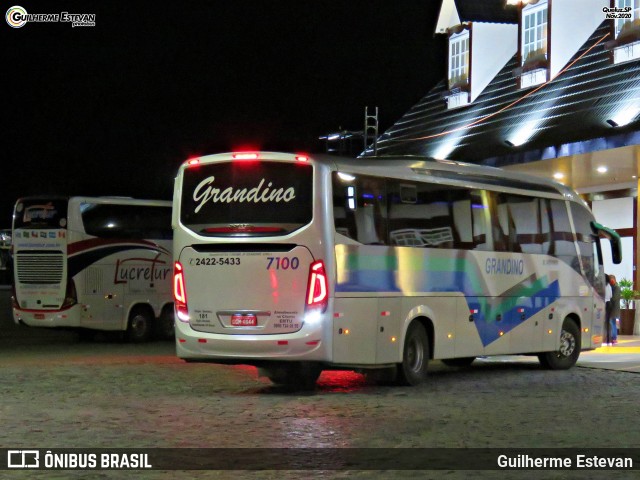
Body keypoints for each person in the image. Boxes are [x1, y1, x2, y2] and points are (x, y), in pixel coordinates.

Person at [609, 275, 621, 345]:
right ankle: (613, 337)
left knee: (612, 323)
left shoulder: (617, 287)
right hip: (612, 308)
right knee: (612, 322)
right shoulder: (612, 287)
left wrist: (608, 300)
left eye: (611, 280)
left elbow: (614, 298)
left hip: (614, 308)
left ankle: (614, 338)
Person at [604, 274, 612, 346]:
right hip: (609, 303)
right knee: (608, 321)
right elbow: (610, 295)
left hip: (604, 303)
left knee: (604, 322)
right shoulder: (609, 285)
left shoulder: (603, 285)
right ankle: (609, 340)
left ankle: (604, 339)